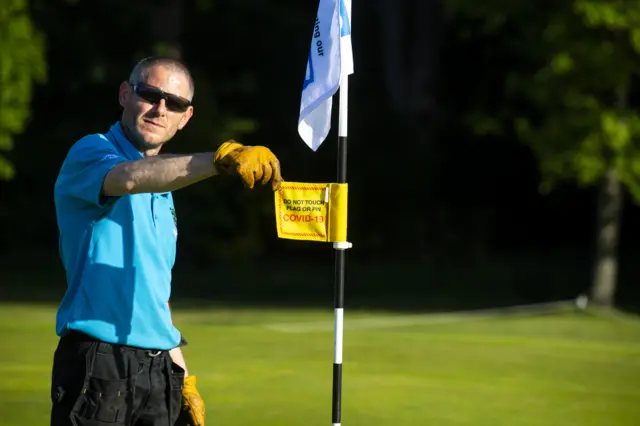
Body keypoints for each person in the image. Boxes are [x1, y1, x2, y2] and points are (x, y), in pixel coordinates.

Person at [50, 56, 282, 426]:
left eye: (174, 103)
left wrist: (182, 375)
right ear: (125, 94)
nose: (160, 109)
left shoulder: (167, 188)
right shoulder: (91, 151)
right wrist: (220, 159)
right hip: (100, 363)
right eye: (150, 94)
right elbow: (128, 179)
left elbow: (156, 296)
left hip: (159, 370)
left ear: (185, 117)